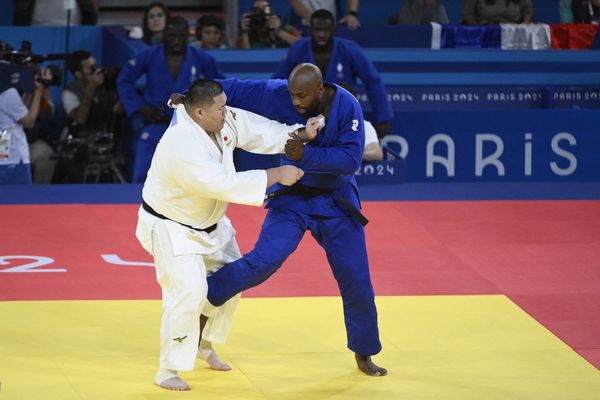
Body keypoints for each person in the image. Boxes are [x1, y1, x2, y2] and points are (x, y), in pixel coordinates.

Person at [137, 78, 320, 390]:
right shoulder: (181, 144)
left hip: (211, 222)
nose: (227, 112)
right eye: (220, 108)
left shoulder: (218, 118)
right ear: (198, 112)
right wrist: (276, 174)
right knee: (190, 292)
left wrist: (300, 132)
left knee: (233, 280)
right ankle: (168, 368)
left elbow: (255, 129)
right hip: (171, 226)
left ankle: (203, 344)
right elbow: (220, 184)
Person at [208, 64, 387, 377]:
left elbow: (349, 160)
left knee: (356, 279)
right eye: (292, 95)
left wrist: (304, 155)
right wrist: (196, 93)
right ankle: (203, 294)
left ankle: (364, 351)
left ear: (319, 89)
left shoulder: (347, 106)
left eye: (303, 96)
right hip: (292, 196)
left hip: (336, 201)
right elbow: (238, 89)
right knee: (262, 262)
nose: (296, 102)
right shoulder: (283, 95)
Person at [117, 16, 225, 183]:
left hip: (189, 124)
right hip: (156, 121)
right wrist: (140, 106)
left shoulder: (200, 57)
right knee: (142, 171)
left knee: (195, 175)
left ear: (188, 37)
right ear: (164, 35)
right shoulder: (149, 55)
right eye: (171, 35)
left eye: (180, 36)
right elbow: (124, 80)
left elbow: (220, 86)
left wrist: (208, 113)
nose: (175, 40)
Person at [273, 9, 393, 138]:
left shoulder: (349, 49)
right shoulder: (298, 49)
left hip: (342, 117)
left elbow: (372, 80)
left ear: (334, 29)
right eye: (317, 29)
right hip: (304, 119)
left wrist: (383, 117)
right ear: (309, 29)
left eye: (326, 29)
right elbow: (277, 83)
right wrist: (272, 114)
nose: (321, 34)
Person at [0, 69, 50, 184]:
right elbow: (29, 122)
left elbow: (17, 111)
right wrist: (38, 91)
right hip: (13, 159)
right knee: (19, 200)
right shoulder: (7, 93)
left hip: (4, 150)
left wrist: (29, 90)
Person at [290, 0, 360, 33]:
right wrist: (313, 20)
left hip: (332, 25)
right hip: (304, 25)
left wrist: (351, 14)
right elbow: (295, 1)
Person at [461, 0, 534, 25]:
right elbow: (468, 16)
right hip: (484, 34)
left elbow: (528, 12)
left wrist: (522, 29)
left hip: (512, 34)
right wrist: (481, 29)